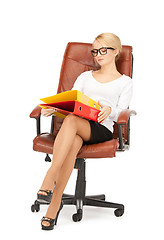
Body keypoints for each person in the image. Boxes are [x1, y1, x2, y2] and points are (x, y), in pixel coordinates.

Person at [38, 32, 133, 230]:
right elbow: (73, 101)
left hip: (101, 128)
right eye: (95, 50)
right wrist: (56, 108)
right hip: (77, 125)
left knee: (72, 121)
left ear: (116, 51)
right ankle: (54, 206)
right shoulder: (85, 76)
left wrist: (109, 110)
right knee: (71, 139)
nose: (97, 54)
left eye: (103, 50)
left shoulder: (125, 82)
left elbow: (122, 111)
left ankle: (50, 175)